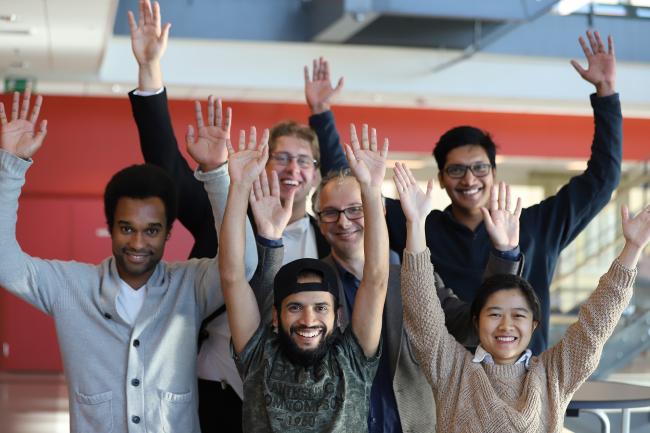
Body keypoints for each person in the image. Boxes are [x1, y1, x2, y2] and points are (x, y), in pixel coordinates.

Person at [310, 30, 622, 354]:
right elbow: (353, 191)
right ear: (442, 179)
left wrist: (606, 93)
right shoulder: (419, 228)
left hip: (524, 380)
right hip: (446, 385)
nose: (469, 179)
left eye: (479, 168)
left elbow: (602, 179)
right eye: (456, 170)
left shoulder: (537, 226)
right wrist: (322, 115)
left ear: (494, 173)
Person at [127, 1, 347, 429]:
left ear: (316, 176)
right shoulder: (224, 214)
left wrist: (323, 116)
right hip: (217, 393)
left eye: (304, 162)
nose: (291, 169)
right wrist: (150, 70)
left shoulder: (334, 235)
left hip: (298, 399)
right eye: (281, 157)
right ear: (262, 162)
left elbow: (351, 184)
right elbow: (166, 164)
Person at [0, 90, 260, 433]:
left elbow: (240, 266)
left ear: (168, 232)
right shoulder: (72, 287)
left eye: (152, 230)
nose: (138, 242)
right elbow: (6, 263)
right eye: (127, 228)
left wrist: (217, 174)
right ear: (110, 228)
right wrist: (10, 168)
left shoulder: (189, 286)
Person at [394, 162, 647, 433]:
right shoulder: (452, 371)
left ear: (534, 325)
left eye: (518, 315)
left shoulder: (554, 375)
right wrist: (416, 224)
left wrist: (632, 249)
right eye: (494, 314)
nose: (506, 325)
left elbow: (595, 326)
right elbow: (422, 313)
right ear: (476, 321)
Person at [310, 140, 523, 432]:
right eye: (331, 213)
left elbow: (471, 327)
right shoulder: (311, 285)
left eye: (355, 210)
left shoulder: (413, 279)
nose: (343, 222)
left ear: (378, 211)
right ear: (320, 223)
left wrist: (504, 254)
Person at [219, 123, 389, 432]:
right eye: (295, 307)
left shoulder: (352, 360)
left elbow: (376, 279)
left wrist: (372, 192)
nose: (308, 319)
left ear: (339, 317)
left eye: (320, 307)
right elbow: (232, 277)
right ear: (275, 316)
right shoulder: (259, 357)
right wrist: (239, 186)